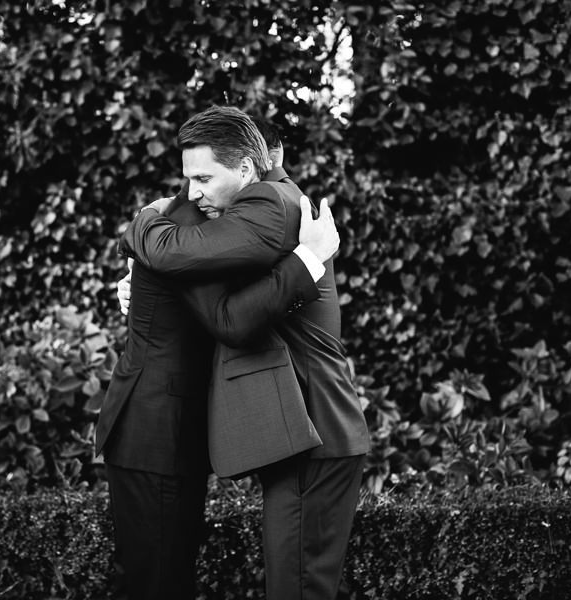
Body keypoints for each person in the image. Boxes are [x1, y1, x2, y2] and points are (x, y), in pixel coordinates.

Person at [119, 106, 371, 600]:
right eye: (188, 179)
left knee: (297, 589)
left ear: (247, 167)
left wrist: (147, 219)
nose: (193, 192)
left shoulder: (269, 203)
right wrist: (145, 287)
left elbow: (213, 300)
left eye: (204, 178)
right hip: (304, 433)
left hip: (314, 429)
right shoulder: (266, 204)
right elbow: (224, 300)